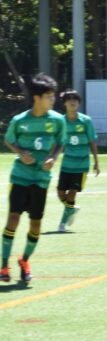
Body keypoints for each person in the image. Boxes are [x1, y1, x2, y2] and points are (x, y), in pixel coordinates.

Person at [2, 73, 65, 283]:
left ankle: (25, 260)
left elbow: (60, 142)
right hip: (20, 176)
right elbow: (9, 140)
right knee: (13, 218)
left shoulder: (57, 120)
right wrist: (21, 153)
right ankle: (4, 265)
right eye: (48, 96)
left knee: (35, 224)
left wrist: (53, 157)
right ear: (37, 98)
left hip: (41, 179)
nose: (52, 100)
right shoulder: (20, 121)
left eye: (53, 96)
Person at [55, 90, 100, 233]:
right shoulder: (61, 121)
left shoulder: (86, 120)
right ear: (64, 103)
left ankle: (62, 223)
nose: (72, 102)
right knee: (60, 193)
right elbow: (58, 142)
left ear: (79, 103)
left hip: (81, 165)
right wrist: (52, 157)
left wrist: (96, 162)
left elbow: (92, 141)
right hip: (66, 164)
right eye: (69, 99)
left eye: (75, 99)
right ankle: (72, 208)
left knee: (72, 193)